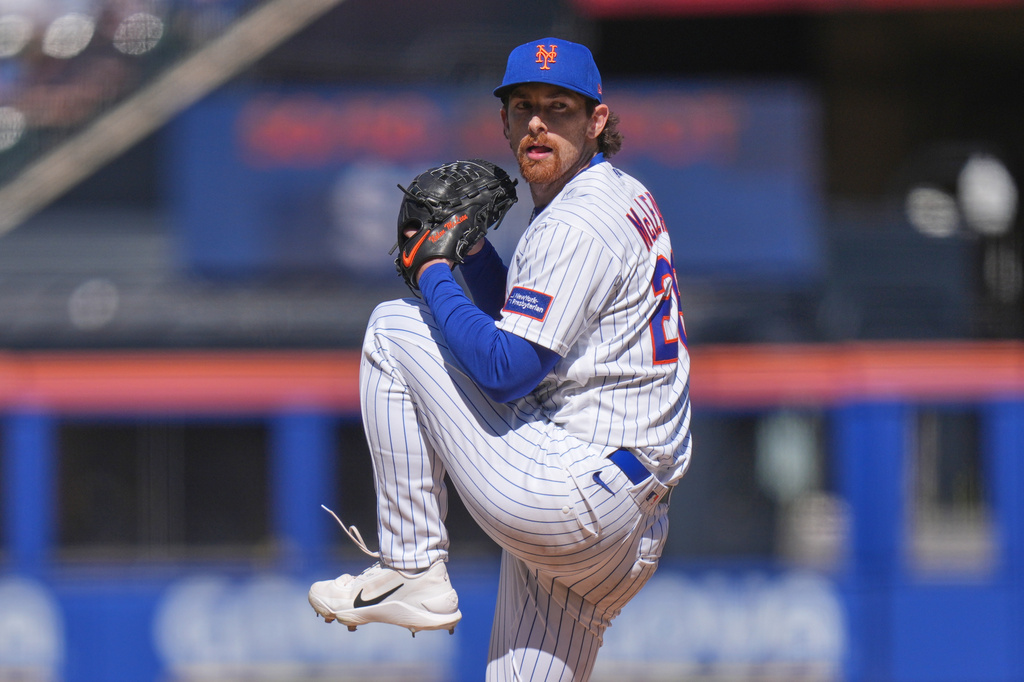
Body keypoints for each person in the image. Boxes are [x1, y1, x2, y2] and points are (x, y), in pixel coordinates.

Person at [309, 37, 692, 682]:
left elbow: (508, 370)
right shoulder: (615, 195)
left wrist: (433, 269)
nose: (538, 122)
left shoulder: (578, 221)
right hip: (622, 523)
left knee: (394, 327)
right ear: (506, 122)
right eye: (523, 107)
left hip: (575, 490)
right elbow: (532, 327)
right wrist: (475, 254)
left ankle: (411, 567)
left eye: (560, 107)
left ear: (598, 120)